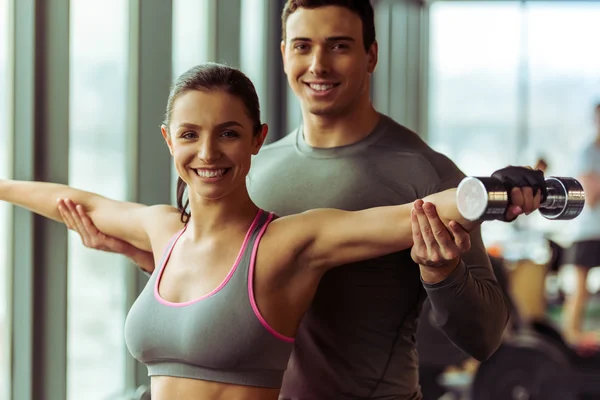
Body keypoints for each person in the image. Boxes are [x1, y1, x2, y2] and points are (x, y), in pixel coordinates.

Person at [56, 2, 546, 399]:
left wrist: (443, 273)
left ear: (371, 54)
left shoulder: (428, 174)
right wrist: (148, 259)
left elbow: (485, 337)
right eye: (303, 46)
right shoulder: (247, 167)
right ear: (284, 52)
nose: (318, 65)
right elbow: (235, 293)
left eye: (339, 46)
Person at [562, 103, 600, 352]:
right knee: (581, 288)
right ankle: (571, 339)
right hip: (589, 231)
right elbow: (592, 195)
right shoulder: (589, 152)